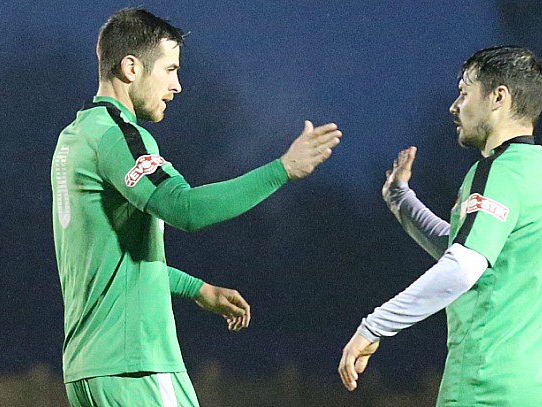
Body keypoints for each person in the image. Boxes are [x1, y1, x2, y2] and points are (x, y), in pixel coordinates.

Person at [51, 7, 342, 407]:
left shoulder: (75, 136)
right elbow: (184, 208)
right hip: (137, 366)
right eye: (170, 70)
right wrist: (282, 170)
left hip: (91, 368)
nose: (177, 86)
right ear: (131, 68)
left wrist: (197, 289)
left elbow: (110, 262)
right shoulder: (118, 136)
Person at [338, 46, 542, 406]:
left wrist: (376, 325)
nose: (455, 106)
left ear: (498, 97)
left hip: (488, 385)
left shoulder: (499, 171)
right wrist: (401, 200)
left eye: (465, 92)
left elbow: (463, 266)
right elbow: (470, 248)